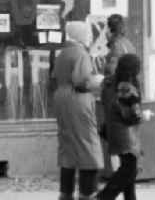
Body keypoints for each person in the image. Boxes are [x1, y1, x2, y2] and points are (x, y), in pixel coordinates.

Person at [53, 20, 105, 200]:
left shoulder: (63, 53)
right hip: (78, 101)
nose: (90, 37)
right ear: (80, 35)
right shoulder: (81, 53)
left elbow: (58, 76)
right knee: (88, 146)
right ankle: (87, 193)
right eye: (88, 33)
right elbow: (82, 81)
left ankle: (65, 193)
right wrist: (98, 80)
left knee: (68, 148)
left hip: (62, 99)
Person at [97, 53, 149, 200]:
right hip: (126, 134)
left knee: (128, 169)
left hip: (112, 129)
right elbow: (132, 114)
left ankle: (130, 198)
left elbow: (107, 104)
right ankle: (104, 196)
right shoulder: (127, 87)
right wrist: (141, 115)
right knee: (129, 169)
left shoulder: (109, 82)